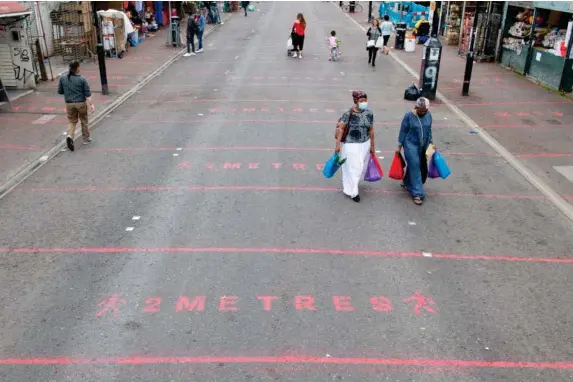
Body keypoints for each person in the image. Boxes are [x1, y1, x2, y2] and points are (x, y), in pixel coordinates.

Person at [335, 91, 376, 203]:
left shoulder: (369, 113)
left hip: (365, 143)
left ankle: (352, 185)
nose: (364, 103)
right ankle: (354, 192)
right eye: (361, 101)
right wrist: (338, 144)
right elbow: (341, 129)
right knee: (355, 168)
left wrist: (372, 145)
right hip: (351, 144)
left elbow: (371, 130)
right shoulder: (349, 114)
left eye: (365, 100)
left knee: (361, 167)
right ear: (356, 101)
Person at [396, 97, 436, 206]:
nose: (423, 112)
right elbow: (403, 131)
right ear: (416, 107)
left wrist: (431, 143)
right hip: (410, 144)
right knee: (415, 166)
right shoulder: (409, 116)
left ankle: (407, 182)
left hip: (424, 145)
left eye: (425, 110)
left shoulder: (428, 116)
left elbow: (429, 130)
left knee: (418, 165)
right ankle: (418, 193)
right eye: (421, 110)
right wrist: (399, 145)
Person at [57, 60, 94, 152]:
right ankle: (85, 139)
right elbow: (87, 94)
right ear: (77, 68)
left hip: (69, 103)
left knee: (72, 121)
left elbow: (60, 91)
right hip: (81, 103)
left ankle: (70, 136)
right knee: (84, 120)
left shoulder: (63, 78)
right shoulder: (82, 79)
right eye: (79, 67)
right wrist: (91, 104)